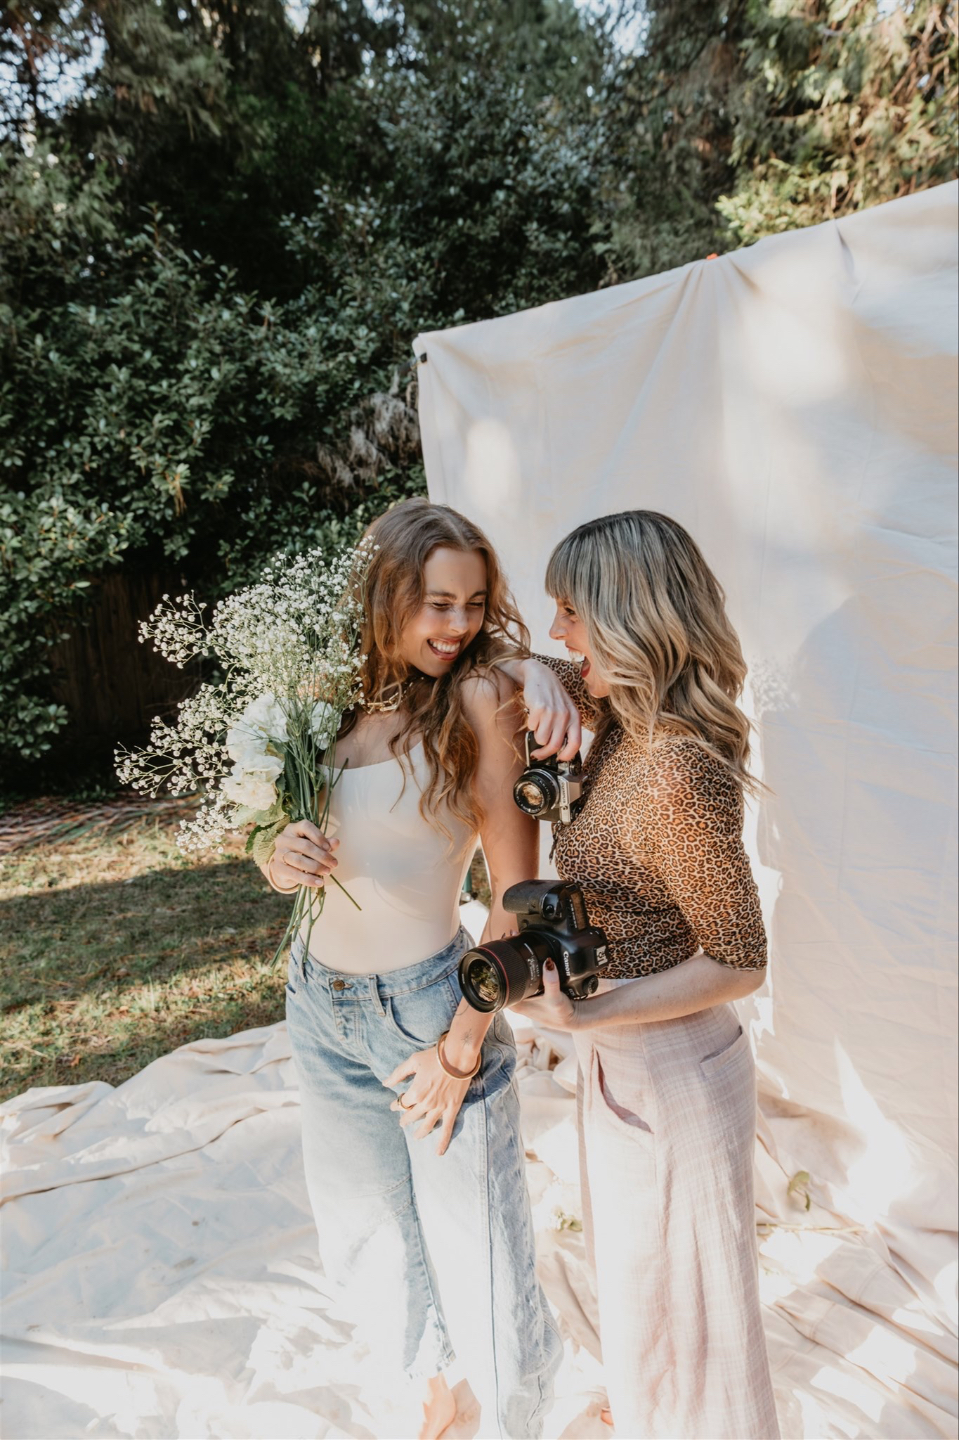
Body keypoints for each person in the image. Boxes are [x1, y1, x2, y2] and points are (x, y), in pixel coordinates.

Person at [260, 498, 561, 1440]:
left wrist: (463, 1045)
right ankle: (436, 1391)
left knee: (479, 1245)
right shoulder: (326, 705)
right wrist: (275, 855)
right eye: (437, 604)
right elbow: (288, 844)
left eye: (472, 603)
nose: (457, 625)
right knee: (368, 1229)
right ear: (387, 596)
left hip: (428, 1008)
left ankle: (520, 1419)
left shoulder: (478, 699)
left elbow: (518, 898)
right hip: (317, 1000)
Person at [500, 509, 781, 1440]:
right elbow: (496, 662)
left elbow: (738, 960)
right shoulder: (620, 717)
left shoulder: (674, 770)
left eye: (571, 612)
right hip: (628, 1056)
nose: (557, 632)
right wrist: (534, 676)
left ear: (628, 615)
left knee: (697, 1322)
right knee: (643, 1292)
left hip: (671, 1068)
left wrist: (591, 1016)